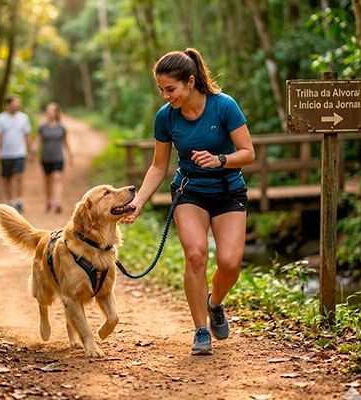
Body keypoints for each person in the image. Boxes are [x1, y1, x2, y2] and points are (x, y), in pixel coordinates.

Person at [120, 48, 255, 355]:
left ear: (190, 82)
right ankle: (200, 330)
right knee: (195, 256)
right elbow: (158, 166)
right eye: (161, 90)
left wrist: (220, 159)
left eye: (171, 89)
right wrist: (138, 201)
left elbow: (248, 153)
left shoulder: (224, 106)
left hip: (228, 190)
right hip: (189, 192)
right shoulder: (166, 118)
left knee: (230, 263)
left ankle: (215, 303)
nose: (166, 96)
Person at [30, 102, 73, 213]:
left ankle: (57, 202)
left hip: (58, 157)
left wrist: (70, 154)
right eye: (48, 111)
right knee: (48, 180)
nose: (50, 113)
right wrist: (32, 151)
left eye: (52, 111)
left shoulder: (61, 128)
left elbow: (65, 142)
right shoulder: (42, 128)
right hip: (45, 157)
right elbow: (38, 141)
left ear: (56, 113)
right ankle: (49, 201)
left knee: (57, 177)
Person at [0, 97, 32, 212]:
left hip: (20, 152)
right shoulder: (0, 118)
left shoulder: (24, 118)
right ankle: (10, 201)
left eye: (18, 105)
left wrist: (30, 151)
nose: (17, 107)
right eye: (14, 105)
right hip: (6, 153)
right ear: (8, 105)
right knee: (7, 178)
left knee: (19, 176)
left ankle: (19, 200)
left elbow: (27, 135)